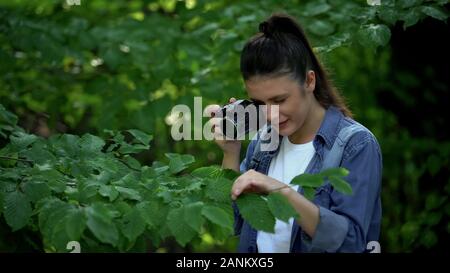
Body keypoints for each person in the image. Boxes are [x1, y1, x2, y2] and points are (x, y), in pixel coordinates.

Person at [205, 13, 382, 253]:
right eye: (259, 102)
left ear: (310, 81)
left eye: (279, 100)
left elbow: (351, 242)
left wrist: (279, 190)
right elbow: (233, 222)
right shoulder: (263, 142)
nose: (270, 115)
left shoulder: (355, 145)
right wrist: (231, 152)